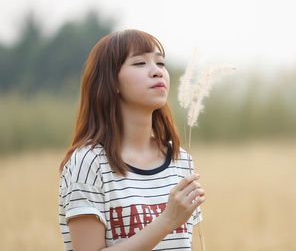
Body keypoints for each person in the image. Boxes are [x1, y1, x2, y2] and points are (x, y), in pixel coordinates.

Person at [59, 30, 205, 251]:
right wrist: (167, 221)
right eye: (139, 63)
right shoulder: (88, 163)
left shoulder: (180, 160)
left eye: (160, 63)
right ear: (112, 82)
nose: (157, 72)